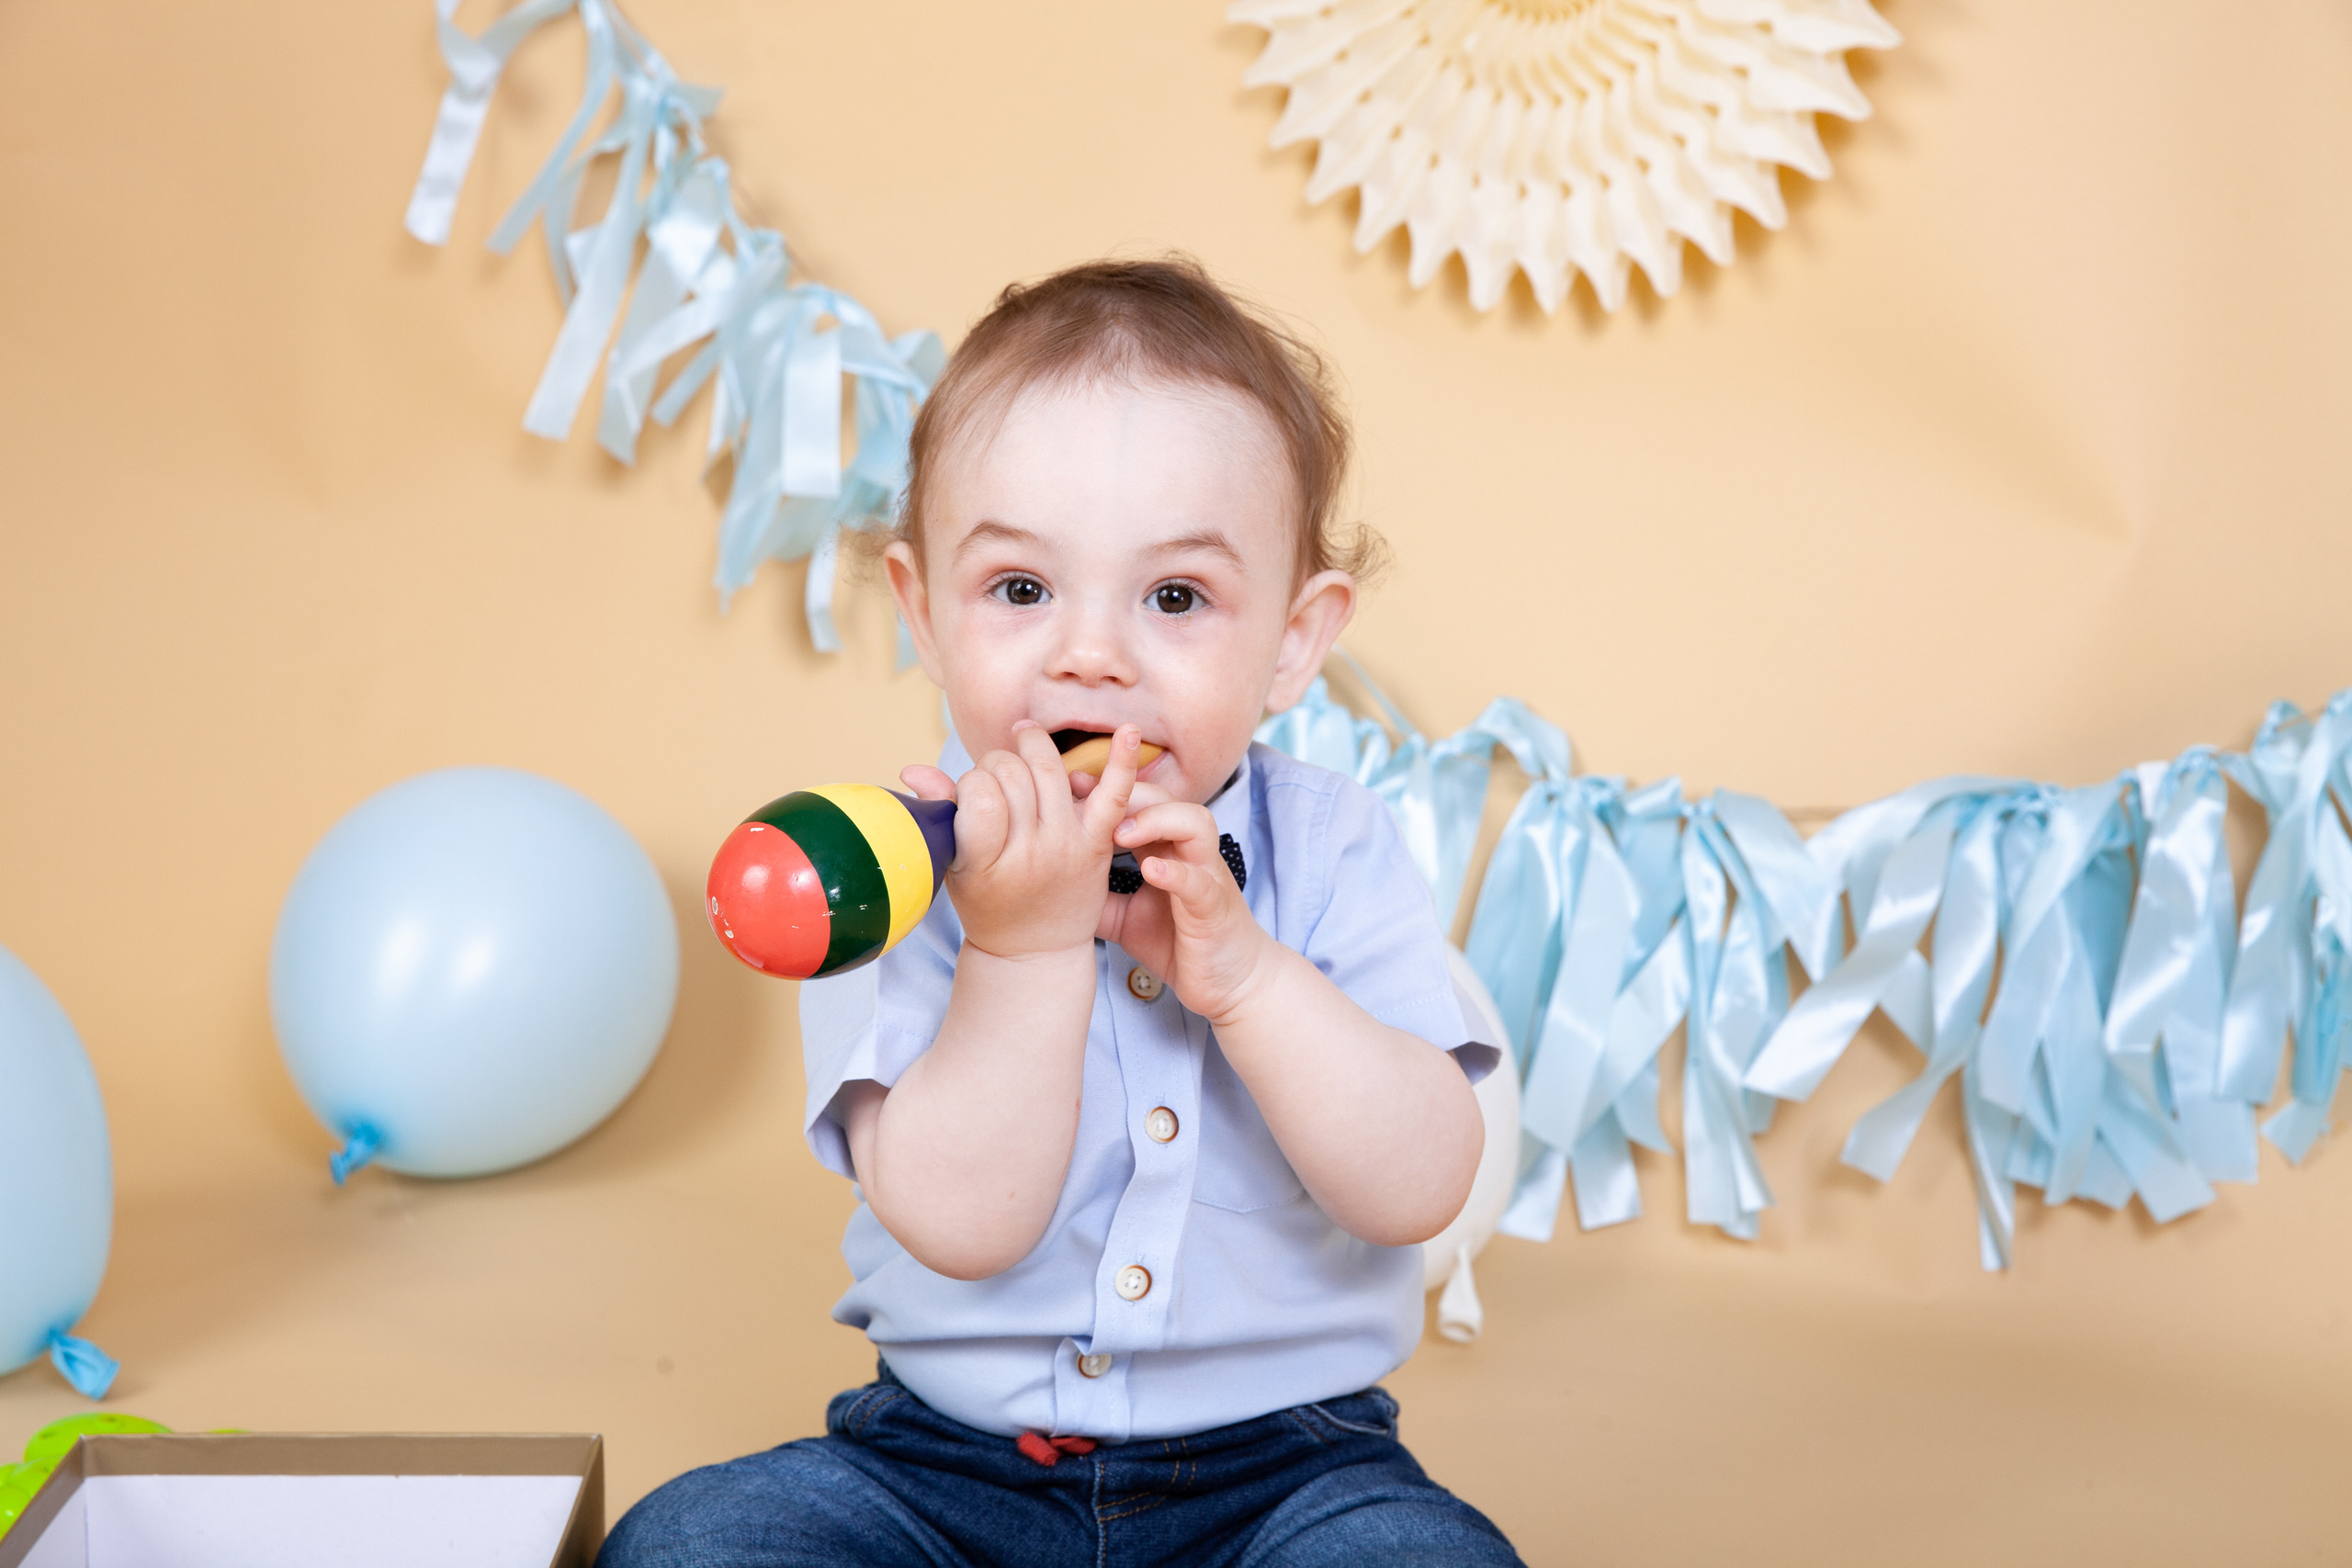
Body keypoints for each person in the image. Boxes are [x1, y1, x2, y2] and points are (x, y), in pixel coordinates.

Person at [603, 257, 1522, 1567]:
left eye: (1176, 598)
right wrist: (1020, 944)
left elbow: (1423, 1184)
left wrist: (1251, 980)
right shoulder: (902, 874)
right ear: (925, 614)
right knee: (695, 1544)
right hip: (938, 1467)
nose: (1092, 654)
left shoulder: (1330, 849)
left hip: (1290, 1470)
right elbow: (964, 1227)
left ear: (1294, 641)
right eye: (1023, 591)